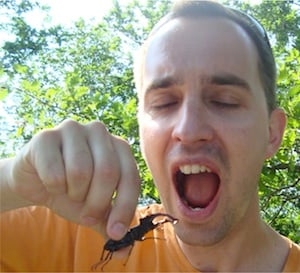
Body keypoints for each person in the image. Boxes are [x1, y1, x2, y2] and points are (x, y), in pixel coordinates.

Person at [0, 0, 299, 272]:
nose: (189, 130)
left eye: (224, 101)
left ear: (272, 134)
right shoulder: (81, 230)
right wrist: (12, 181)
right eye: (164, 103)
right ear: (141, 131)